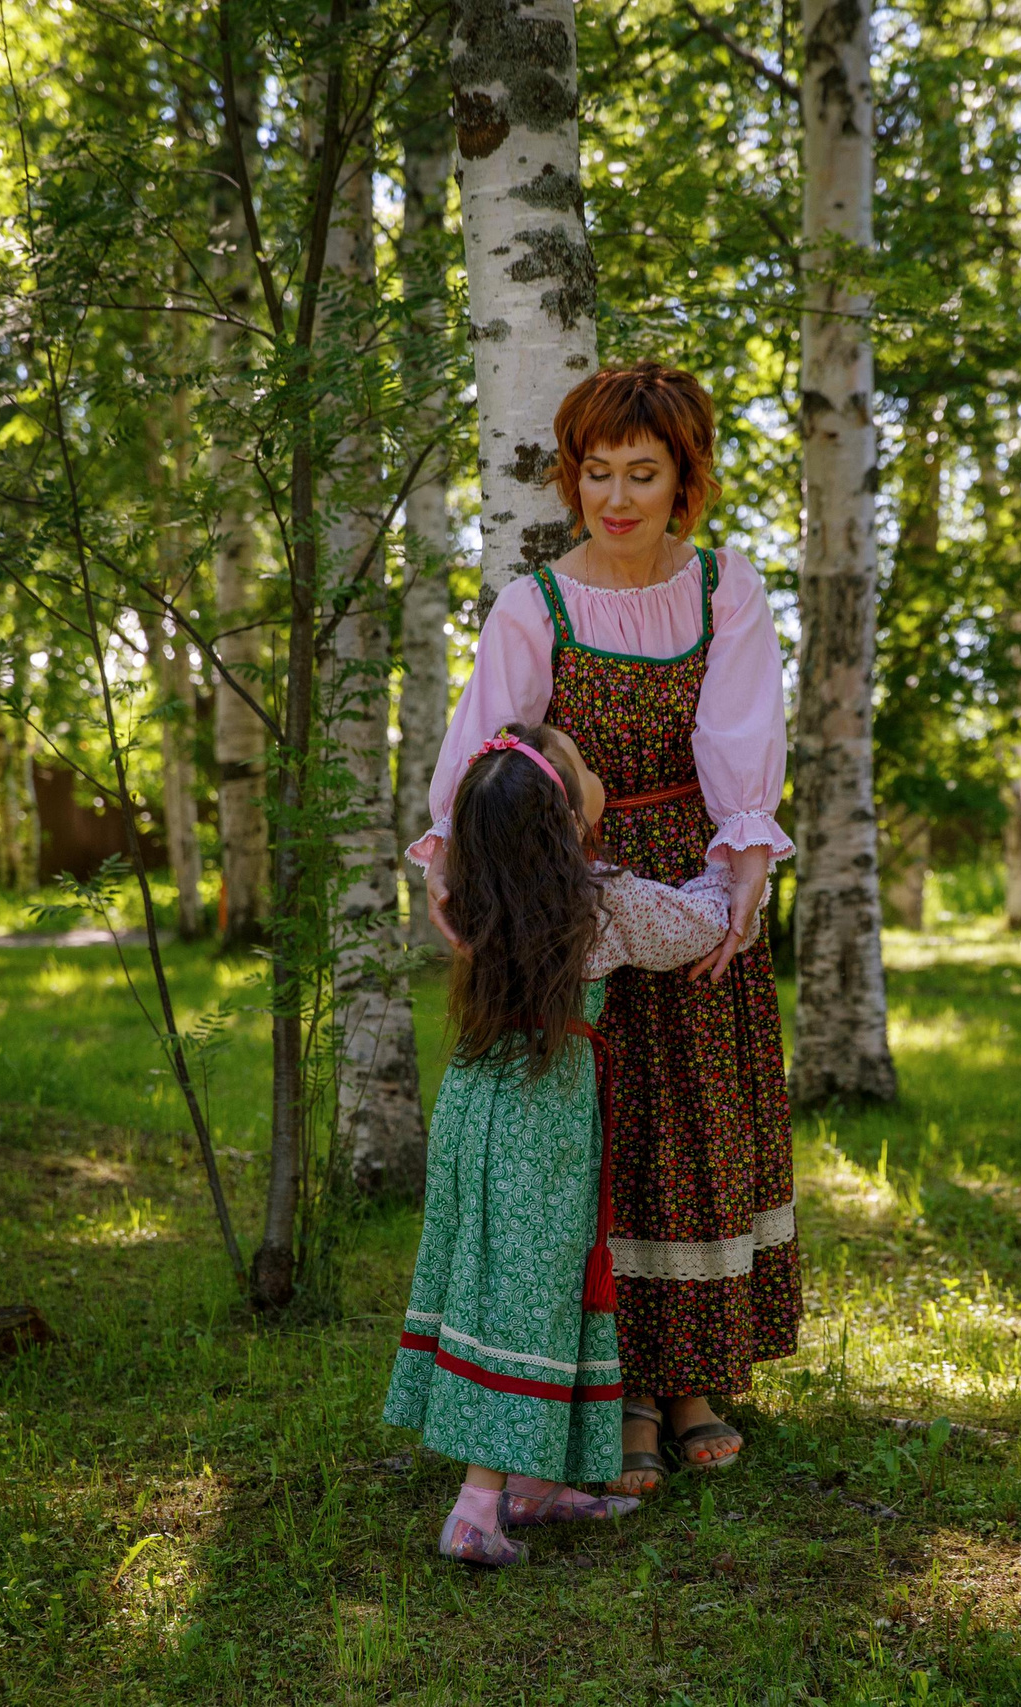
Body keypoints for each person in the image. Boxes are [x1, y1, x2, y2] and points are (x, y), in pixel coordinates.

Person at [409, 361, 797, 1497]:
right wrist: (453, 861)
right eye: (596, 473)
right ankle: (619, 1384)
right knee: (602, 1141)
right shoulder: (538, 605)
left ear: (686, 479)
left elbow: (739, 742)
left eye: (643, 472)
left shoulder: (728, 586)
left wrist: (738, 880)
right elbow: (489, 750)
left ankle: (694, 1381)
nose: (616, 497)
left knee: (701, 1128)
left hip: (693, 891)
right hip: (576, 901)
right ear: (570, 478)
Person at [384, 722, 745, 1566]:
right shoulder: (601, 901)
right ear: (565, 821)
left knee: (487, 1286)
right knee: (532, 1295)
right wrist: (735, 860)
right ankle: (479, 1506)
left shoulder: (469, 890)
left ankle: (537, 1482)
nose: (597, 766)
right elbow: (702, 922)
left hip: (474, 1106)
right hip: (542, 1124)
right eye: (584, 765)